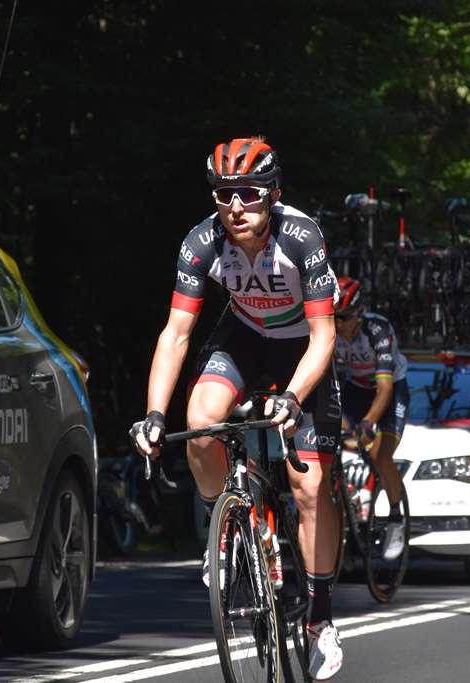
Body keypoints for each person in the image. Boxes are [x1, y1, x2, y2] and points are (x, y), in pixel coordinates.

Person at [130, 137, 344, 680]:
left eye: (249, 193)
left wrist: (293, 397)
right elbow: (176, 334)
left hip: (302, 347)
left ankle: (320, 620)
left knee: (310, 487)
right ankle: (223, 532)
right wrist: (153, 415)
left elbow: (324, 336)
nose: (236, 206)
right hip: (245, 336)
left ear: (273, 194)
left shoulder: (301, 237)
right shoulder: (201, 242)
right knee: (200, 423)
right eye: (224, 194)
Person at [333, 276, 409, 559]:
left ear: (359, 313)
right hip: (355, 388)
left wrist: (367, 423)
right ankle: (346, 509)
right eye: (333, 317)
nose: (337, 324)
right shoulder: (328, 330)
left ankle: (396, 519)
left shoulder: (378, 330)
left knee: (381, 456)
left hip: (389, 390)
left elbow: (385, 387)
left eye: (343, 317)